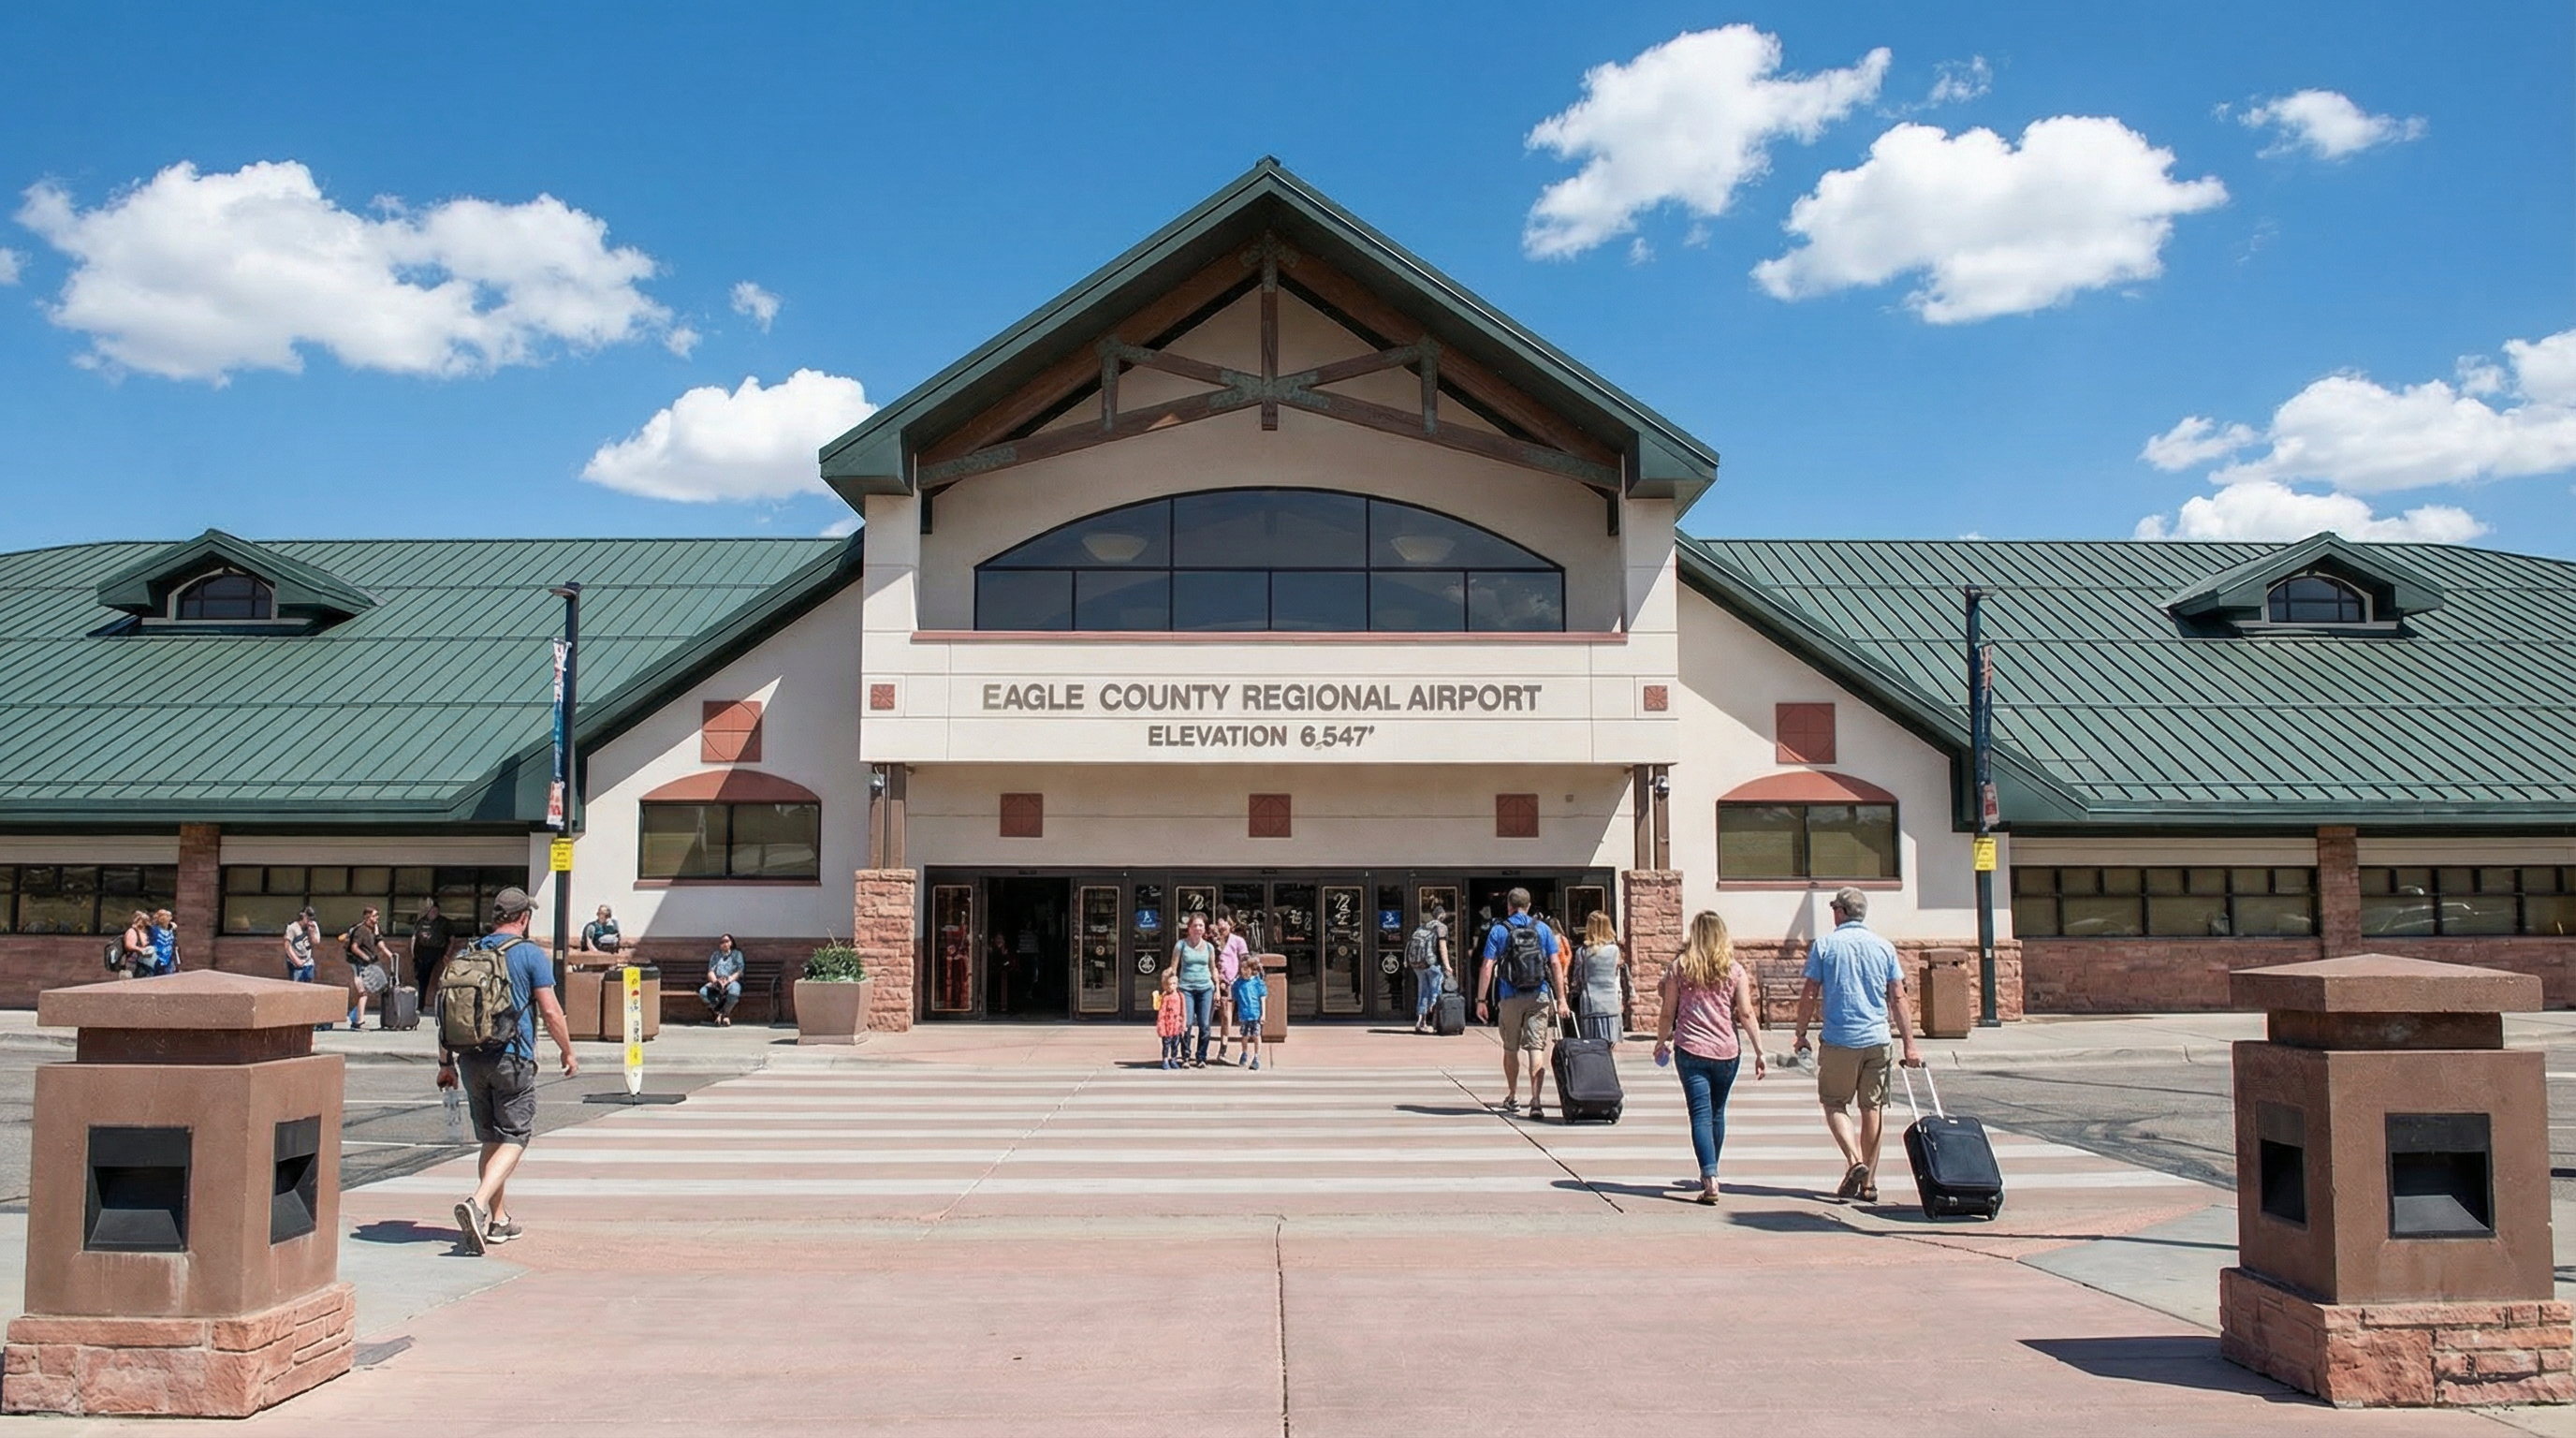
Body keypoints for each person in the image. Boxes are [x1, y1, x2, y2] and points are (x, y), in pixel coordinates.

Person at [443, 886, 578, 1255]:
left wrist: (444, 1063)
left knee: (491, 1138)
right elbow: (550, 1011)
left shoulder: (468, 952)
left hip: (469, 1058)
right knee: (515, 1136)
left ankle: (498, 1221)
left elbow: (449, 1009)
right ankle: (478, 1203)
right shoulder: (530, 954)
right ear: (524, 918)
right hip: (512, 1057)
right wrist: (568, 1052)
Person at [1793, 888, 1923, 1204]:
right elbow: (1898, 997)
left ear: (1841, 912)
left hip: (1840, 1039)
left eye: (1834, 907)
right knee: (1873, 1108)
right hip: (1878, 1038)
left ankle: (1854, 1161)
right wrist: (1909, 1045)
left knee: (1835, 1103)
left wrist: (1800, 1033)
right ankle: (1870, 1184)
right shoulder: (1884, 947)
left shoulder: (1825, 945)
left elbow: (1809, 993)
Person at [1654, 911, 1766, 1204]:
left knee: (1700, 1114)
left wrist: (1661, 1040)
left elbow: (1668, 1011)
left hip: (1691, 1049)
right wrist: (1759, 1050)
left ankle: (1709, 1176)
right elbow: (1745, 1012)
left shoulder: (1680, 968)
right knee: (1717, 1112)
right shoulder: (1734, 970)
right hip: (1727, 1051)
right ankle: (1712, 1170)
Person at [1474, 888, 1571, 1118]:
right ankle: (1536, 1101)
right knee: (1536, 1048)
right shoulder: (1543, 929)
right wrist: (1562, 999)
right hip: (1539, 995)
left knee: (1511, 1048)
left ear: (1509, 906)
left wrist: (1481, 1000)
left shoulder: (1499, 930)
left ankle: (1513, 1094)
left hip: (1509, 996)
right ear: (1529, 906)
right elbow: (1556, 964)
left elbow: (1487, 966)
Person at [1165, 912, 1219, 1068]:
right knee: (1186, 1024)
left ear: (1205, 929)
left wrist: (1218, 989)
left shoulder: (1209, 947)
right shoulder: (1181, 945)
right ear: (1189, 928)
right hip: (1186, 989)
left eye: (1201, 925)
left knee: (1205, 1025)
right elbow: (1173, 968)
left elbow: (1213, 968)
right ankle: (1186, 1056)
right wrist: (1170, 988)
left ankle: (1201, 1057)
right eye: (1195, 925)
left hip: (1205, 988)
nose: (1198, 928)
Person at [1571, 912, 1631, 1044]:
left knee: (1591, 1044)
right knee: (1609, 1044)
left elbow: (1578, 979)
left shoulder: (1582, 952)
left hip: (1590, 1003)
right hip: (1610, 1002)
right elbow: (1617, 977)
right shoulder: (1615, 950)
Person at [342, 905, 392, 1030]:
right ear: (367, 916)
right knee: (362, 992)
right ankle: (359, 1021)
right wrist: (366, 958)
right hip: (359, 965)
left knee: (365, 992)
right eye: (374, 916)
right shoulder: (361, 930)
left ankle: (356, 1017)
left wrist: (388, 953)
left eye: (377, 916)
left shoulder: (372, 929)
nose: (377, 918)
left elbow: (379, 942)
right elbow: (354, 947)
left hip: (367, 964)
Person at [1210, 912, 1248, 1064]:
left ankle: (1225, 1048)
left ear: (1230, 925)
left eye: (1224, 925)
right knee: (1216, 1015)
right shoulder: (1212, 942)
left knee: (1228, 1015)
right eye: (1219, 926)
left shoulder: (1238, 941)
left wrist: (1238, 978)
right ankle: (1210, 1049)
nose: (1222, 929)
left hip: (1233, 982)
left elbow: (1245, 962)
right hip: (1215, 982)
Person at [1407, 907, 1450, 1034]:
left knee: (1423, 990)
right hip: (1431, 963)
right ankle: (1438, 1020)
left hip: (1418, 964)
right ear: (1442, 916)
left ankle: (1421, 1020)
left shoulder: (1423, 927)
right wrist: (1447, 965)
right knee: (1436, 991)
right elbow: (1442, 947)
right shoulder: (1441, 927)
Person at [410, 898, 456, 1005]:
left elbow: (452, 939)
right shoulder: (422, 921)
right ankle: (420, 1005)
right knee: (422, 979)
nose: (434, 912)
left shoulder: (443, 922)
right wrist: (413, 955)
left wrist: (447, 954)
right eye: (432, 910)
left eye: (436, 910)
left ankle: (444, 1004)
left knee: (443, 978)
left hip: (439, 952)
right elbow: (414, 938)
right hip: (423, 953)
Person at [1232, 955, 1268, 1071]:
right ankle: (1244, 1053)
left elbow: (1262, 998)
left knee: (1256, 1035)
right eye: (1243, 969)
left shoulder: (1257, 982)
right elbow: (1234, 998)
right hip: (1244, 1014)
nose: (1245, 972)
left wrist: (1263, 1014)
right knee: (1245, 1036)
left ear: (1252, 970)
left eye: (1247, 969)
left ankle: (1257, 1056)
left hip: (1255, 1014)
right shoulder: (1238, 984)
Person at [701, 934, 745, 1026]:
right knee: (703, 992)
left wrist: (729, 980)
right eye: (722, 942)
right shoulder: (716, 955)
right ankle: (720, 1014)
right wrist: (716, 982)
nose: (724, 944)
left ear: (731, 943)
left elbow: (740, 970)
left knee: (733, 992)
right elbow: (710, 971)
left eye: (727, 941)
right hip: (718, 981)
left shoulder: (737, 954)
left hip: (732, 980)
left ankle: (724, 1015)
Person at [1155, 969, 1185, 1070]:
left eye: (1174, 983)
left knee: (1175, 1044)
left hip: (1176, 1024)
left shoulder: (1180, 996)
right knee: (1166, 1043)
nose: (1172, 986)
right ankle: (1165, 1059)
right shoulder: (1165, 997)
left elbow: (1183, 1011)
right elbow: (1162, 1012)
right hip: (1167, 1024)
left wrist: (1183, 1024)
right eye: (1170, 984)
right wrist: (1161, 1025)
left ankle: (1174, 1059)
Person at [282, 907, 320, 984]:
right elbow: (287, 946)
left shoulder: (313, 925)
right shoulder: (292, 928)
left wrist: (311, 933)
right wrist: (297, 961)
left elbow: (316, 942)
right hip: (296, 962)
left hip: (308, 961)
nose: (310, 922)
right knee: (297, 984)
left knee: (309, 982)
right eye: (308, 919)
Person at [117, 909, 154, 978]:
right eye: (146, 921)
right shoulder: (132, 931)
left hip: (143, 963)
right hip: (132, 962)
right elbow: (129, 945)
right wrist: (140, 949)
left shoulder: (144, 931)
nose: (148, 923)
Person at [146, 908, 179, 976]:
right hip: (156, 957)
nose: (170, 918)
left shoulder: (171, 929)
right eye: (167, 917)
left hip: (168, 958)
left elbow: (174, 941)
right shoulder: (154, 929)